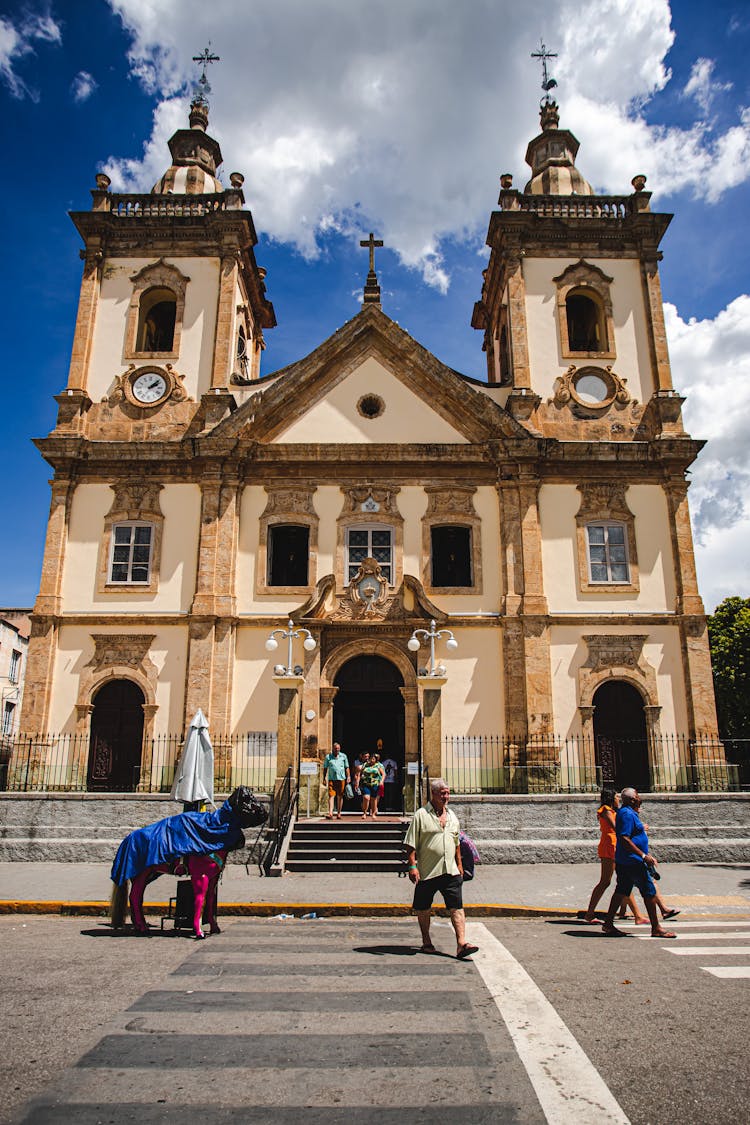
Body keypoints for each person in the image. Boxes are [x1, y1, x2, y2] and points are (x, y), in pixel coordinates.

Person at [404, 777, 479, 959]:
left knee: (457, 907)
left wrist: (460, 865)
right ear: (433, 794)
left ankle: (461, 943)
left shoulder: (452, 816)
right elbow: (410, 843)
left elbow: (457, 842)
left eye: (448, 793)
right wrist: (412, 866)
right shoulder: (421, 815)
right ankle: (426, 941)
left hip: (450, 870)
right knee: (423, 908)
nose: (446, 797)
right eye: (442, 793)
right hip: (428, 870)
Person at [601, 787, 677, 938]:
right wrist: (643, 856)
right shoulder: (627, 814)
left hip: (626, 860)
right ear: (632, 799)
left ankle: (608, 924)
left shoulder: (627, 813)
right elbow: (624, 837)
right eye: (637, 795)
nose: (639, 798)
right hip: (633, 861)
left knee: (621, 890)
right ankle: (656, 927)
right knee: (649, 892)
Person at [583, 789, 648, 925]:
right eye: (616, 797)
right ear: (611, 798)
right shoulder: (606, 810)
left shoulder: (614, 811)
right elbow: (617, 828)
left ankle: (629, 913)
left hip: (615, 846)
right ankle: (590, 913)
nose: (618, 799)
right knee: (606, 881)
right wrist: (639, 827)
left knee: (624, 880)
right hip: (609, 846)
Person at [322, 743, 350, 820]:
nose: (337, 750)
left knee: (340, 796)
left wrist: (348, 776)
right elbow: (325, 768)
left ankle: (339, 813)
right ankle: (330, 813)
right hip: (332, 778)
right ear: (333, 748)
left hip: (341, 778)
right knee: (331, 795)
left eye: (338, 748)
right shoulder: (328, 757)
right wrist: (324, 778)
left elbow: (347, 767)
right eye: (336, 748)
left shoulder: (343, 756)